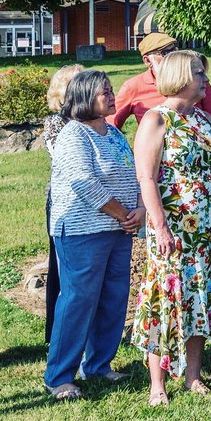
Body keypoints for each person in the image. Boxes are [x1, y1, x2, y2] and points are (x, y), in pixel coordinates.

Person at [132, 51, 211, 403]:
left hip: (205, 228)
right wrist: (160, 227)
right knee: (167, 301)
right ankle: (157, 385)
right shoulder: (156, 120)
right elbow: (146, 178)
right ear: (180, 76)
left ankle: (193, 376)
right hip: (173, 230)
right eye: (198, 73)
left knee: (199, 298)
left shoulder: (204, 120)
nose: (205, 79)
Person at [45, 70, 144, 400]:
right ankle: (59, 376)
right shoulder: (74, 136)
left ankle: (99, 365)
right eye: (105, 92)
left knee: (113, 298)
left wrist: (138, 210)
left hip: (118, 229)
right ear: (85, 97)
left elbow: (135, 174)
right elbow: (83, 183)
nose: (112, 96)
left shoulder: (113, 133)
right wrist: (123, 214)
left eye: (111, 90)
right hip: (81, 231)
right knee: (77, 301)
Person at [42, 63, 84, 345]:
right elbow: (69, 162)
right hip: (66, 205)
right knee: (63, 271)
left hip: (93, 209)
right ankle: (60, 333)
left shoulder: (93, 122)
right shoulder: (57, 123)